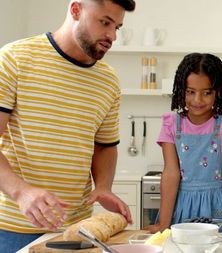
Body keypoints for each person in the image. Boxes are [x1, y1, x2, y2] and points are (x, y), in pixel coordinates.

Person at [0, 0, 135, 251]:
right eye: (105, 22)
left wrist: (104, 186)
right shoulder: (15, 58)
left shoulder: (108, 80)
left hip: (76, 230)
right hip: (13, 228)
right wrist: (21, 192)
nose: (112, 35)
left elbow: (105, 146)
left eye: (117, 27)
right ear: (76, 10)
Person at [146, 53, 222, 233]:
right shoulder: (171, 124)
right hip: (181, 207)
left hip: (218, 206)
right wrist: (163, 224)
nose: (197, 100)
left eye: (206, 92)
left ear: (218, 91)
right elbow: (171, 173)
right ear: (181, 90)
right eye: (190, 92)